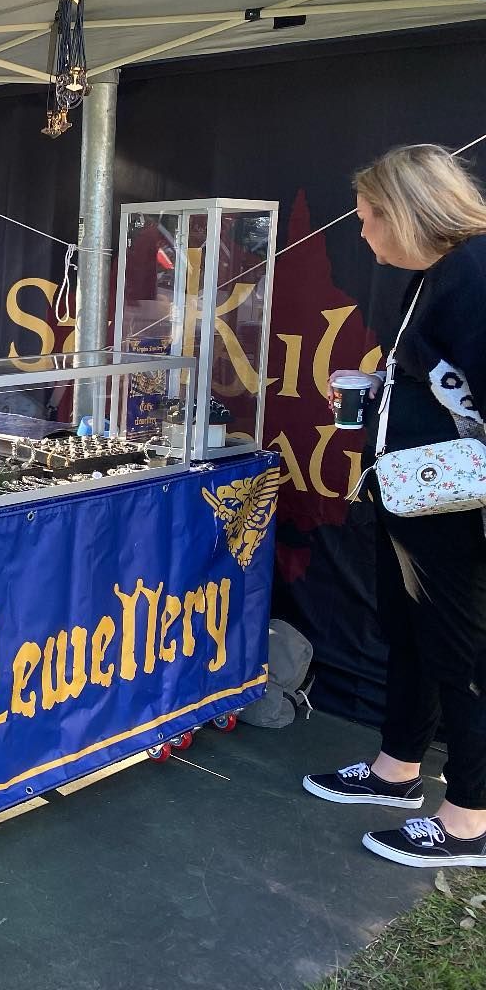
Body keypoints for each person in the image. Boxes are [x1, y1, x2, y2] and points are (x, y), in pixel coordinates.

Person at [302, 144, 486, 868]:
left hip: (455, 508)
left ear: (407, 213)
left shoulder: (471, 274)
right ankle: (397, 769)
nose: (361, 231)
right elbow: (440, 383)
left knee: (462, 652)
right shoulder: (434, 275)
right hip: (412, 495)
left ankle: (470, 818)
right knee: (409, 634)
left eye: (368, 216)